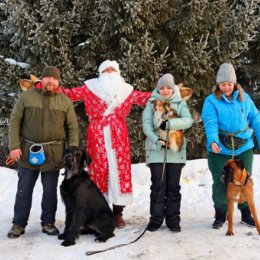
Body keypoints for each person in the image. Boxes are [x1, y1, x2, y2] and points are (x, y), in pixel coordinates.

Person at [62, 60, 151, 228]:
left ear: (118, 73)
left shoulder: (127, 91)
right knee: (98, 170)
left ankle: (118, 213)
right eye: (106, 70)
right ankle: (98, 212)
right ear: (100, 73)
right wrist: (46, 87)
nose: (109, 72)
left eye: (112, 70)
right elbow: (68, 94)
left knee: (119, 171)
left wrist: (169, 93)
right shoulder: (89, 88)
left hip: (119, 135)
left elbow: (148, 97)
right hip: (97, 134)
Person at [7, 66, 79, 238]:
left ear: (58, 82)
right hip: (27, 151)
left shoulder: (65, 101)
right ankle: (18, 224)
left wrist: (73, 149)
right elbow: (15, 121)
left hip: (53, 153)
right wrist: (14, 146)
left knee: (49, 190)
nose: (51, 82)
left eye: (55, 79)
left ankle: (48, 222)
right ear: (42, 79)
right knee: (24, 189)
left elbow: (72, 127)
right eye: (48, 78)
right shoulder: (27, 96)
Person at [202, 63, 260, 229]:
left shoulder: (245, 98)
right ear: (217, 85)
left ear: (234, 83)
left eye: (229, 83)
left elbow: (255, 119)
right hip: (220, 147)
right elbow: (210, 122)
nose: (226, 87)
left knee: (244, 180)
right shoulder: (211, 101)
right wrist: (213, 140)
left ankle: (246, 213)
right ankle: (221, 214)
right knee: (221, 180)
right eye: (222, 84)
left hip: (243, 146)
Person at [142, 73, 193, 232]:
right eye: (162, 88)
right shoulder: (151, 103)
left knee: (173, 187)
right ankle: (155, 219)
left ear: (173, 89)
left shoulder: (179, 103)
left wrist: (169, 123)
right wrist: (157, 140)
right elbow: (147, 125)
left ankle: (173, 220)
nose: (165, 91)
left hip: (175, 151)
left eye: (168, 87)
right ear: (158, 89)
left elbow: (188, 121)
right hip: (157, 150)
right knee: (158, 186)